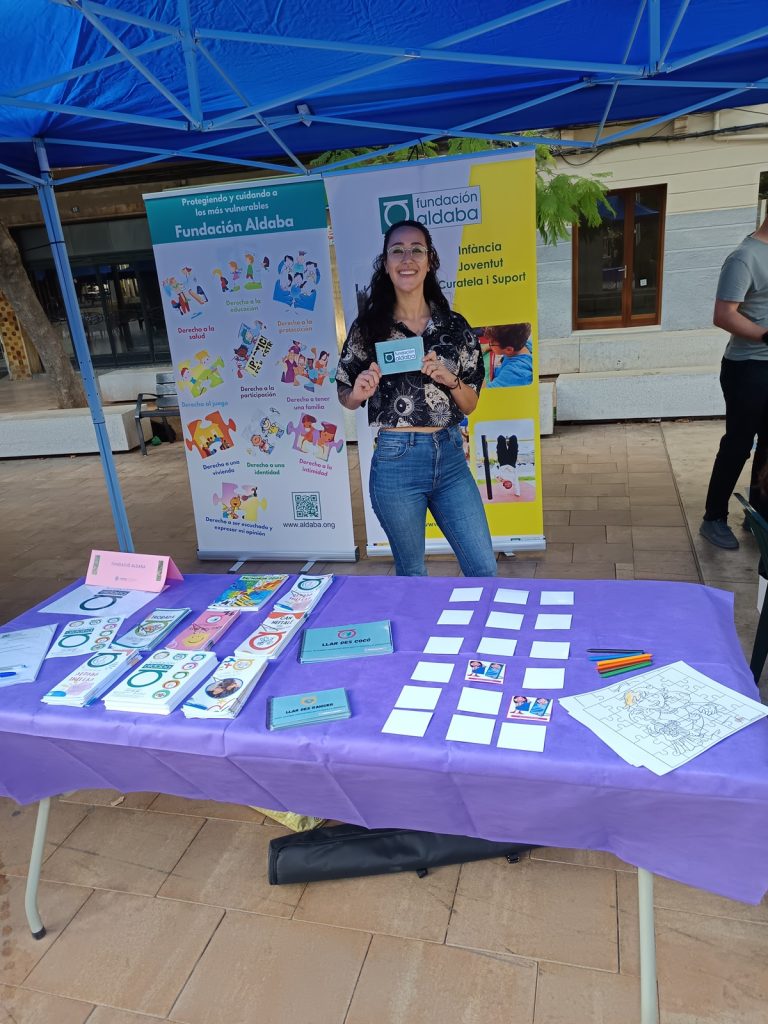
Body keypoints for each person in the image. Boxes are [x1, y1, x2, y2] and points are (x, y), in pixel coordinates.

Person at [336, 219, 497, 577]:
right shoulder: (369, 328)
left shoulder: (454, 327)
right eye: (397, 250)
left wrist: (451, 380)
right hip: (397, 462)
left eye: (416, 250)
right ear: (386, 262)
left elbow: (471, 403)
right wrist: (357, 391)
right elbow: (345, 392)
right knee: (412, 575)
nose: (406, 258)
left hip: (452, 458)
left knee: (484, 569)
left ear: (429, 261)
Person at [700, 216, 768, 550]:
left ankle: (759, 516)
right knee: (739, 444)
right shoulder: (745, 257)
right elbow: (724, 314)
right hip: (748, 367)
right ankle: (713, 518)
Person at [486, 323, 533, 387]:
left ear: (509, 350)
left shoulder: (516, 372)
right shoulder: (522, 343)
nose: (489, 344)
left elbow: (484, 392)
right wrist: (485, 348)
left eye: (491, 343)